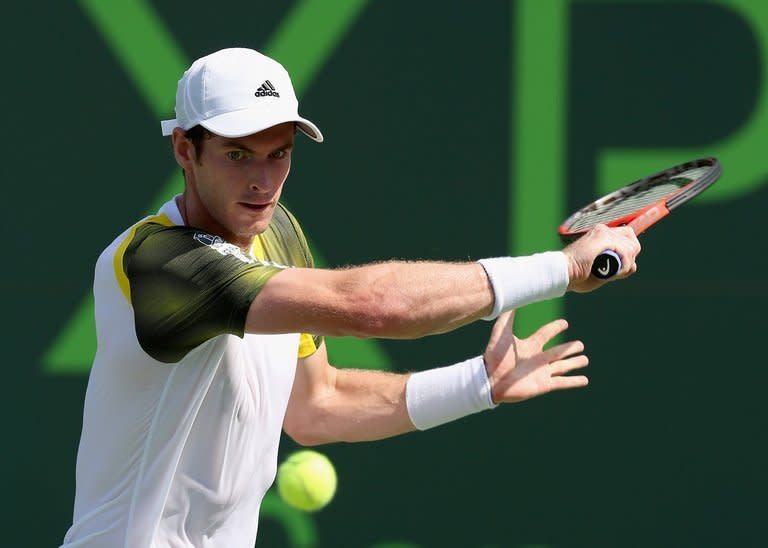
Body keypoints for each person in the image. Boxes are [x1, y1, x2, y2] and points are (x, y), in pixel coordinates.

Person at [61, 48, 641, 548]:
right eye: (238, 155)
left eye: (279, 152)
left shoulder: (276, 232)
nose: (263, 181)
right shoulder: (162, 263)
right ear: (185, 149)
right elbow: (372, 306)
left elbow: (319, 405)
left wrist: (478, 385)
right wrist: (560, 270)